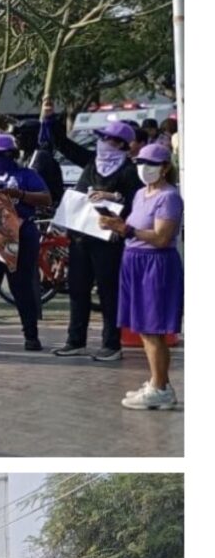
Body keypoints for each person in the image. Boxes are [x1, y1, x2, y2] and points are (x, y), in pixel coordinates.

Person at [42, 104, 138, 362]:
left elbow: (136, 202)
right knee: (78, 289)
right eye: (101, 138)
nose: (102, 143)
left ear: (121, 144)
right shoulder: (91, 162)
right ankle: (76, 341)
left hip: (108, 240)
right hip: (81, 236)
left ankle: (111, 344)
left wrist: (113, 196)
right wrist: (50, 120)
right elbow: (64, 145)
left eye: (107, 139)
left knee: (108, 292)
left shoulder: (129, 172)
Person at [96, 142, 182, 410]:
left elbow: (161, 237)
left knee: (153, 328)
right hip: (133, 260)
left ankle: (160, 387)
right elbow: (132, 225)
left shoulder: (169, 197)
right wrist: (112, 220)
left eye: (151, 164)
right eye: (140, 163)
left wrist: (126, 230)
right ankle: (159, 383)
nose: (144, 169)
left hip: (155, 263)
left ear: (165, 168)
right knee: (143, 327)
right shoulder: (140, 194)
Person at [0, 133, 51, 350]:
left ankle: (31, 335)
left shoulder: (26, 174)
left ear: (12, 154)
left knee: (21, 286)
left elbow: (46, 198)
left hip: (20, 234)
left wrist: (19, 194)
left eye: (1, 155)